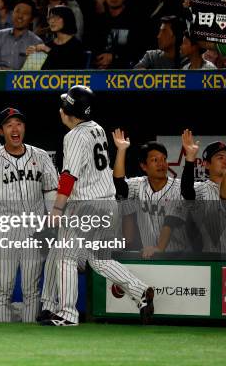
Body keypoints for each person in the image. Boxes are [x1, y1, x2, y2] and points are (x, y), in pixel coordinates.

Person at [39, 85, 154, 326]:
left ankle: (67, 314)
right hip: (107, 203)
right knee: (99, 259)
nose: (61, 109)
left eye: (64, 105)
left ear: (69, 110)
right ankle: (139, 290)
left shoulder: (74, 136)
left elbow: (69, 176)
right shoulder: (97, 129)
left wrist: (58, 209)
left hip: (85, 205)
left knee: (65, 257)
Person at [0, 108, 58, 322]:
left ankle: (28, 336)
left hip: (34, 226)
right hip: (6, 225)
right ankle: (2, 339)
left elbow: (50, 190)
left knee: (31, 288)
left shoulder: (39, 155)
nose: (15, 128)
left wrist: (50, 224)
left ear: (24, 128)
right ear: (1, 131)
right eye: (9, 124)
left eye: (19, 124)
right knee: (4, 287)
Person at [112, 133, 191, 256]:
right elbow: (119, 185)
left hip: (178, 256)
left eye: (164, 159)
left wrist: (159, 248)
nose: (161, 164)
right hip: (149, 255)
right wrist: (121, 150)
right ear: (144, 166)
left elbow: (170, 221)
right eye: (155, 160)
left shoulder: (178, 187)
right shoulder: (139, 185)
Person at [181, 132, 226, 252]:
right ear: (206, 164)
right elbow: (187, 192)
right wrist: (190, 157)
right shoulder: (199, 188)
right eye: (220, 157)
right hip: (209, 262)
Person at [0, 0, 43, 70]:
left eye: (25, 13)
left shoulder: (37, 43)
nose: (20, 16)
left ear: (32, 19)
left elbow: (32, 72)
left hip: (19, 80)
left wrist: (12, 76)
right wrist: (1, 73)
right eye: (17, 11)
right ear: (12, 13)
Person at [31, 5, 85, 70]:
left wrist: (49, 51)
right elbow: (36, 71)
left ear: (67, 18)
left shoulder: (76, 45)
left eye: (56, 17)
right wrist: (33, 56)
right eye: (50, 18)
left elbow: (69, 69)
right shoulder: (48, 45)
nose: (52, 21)